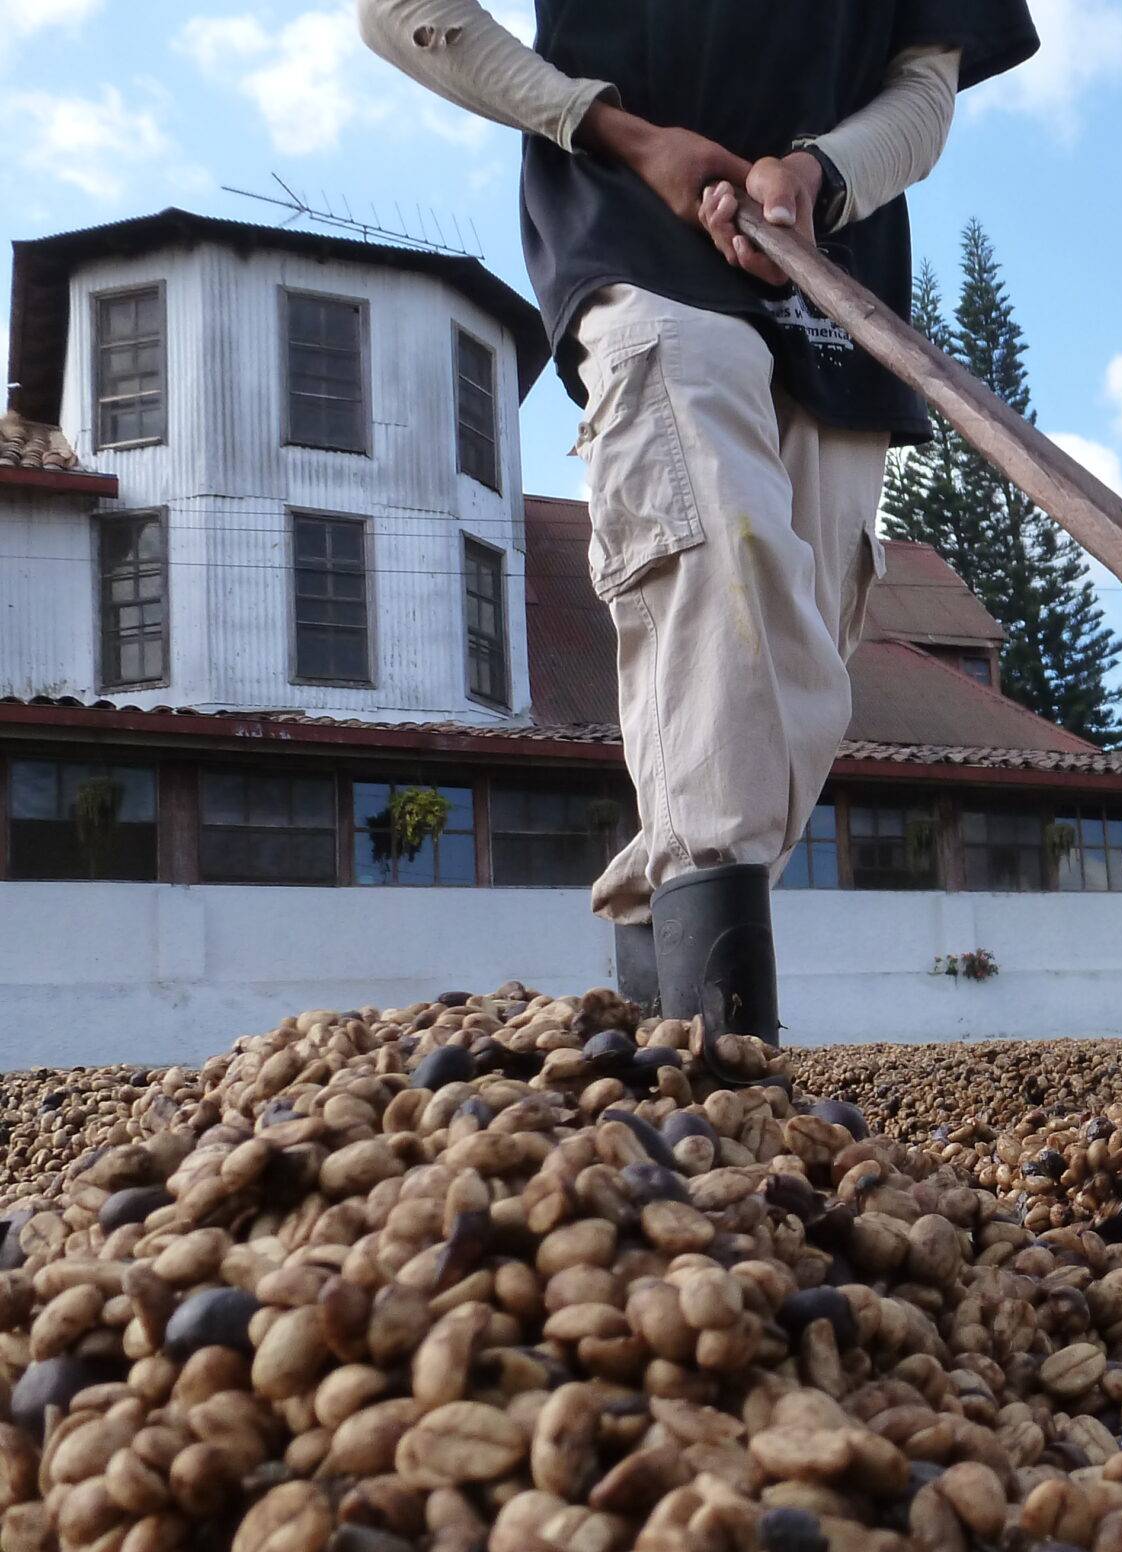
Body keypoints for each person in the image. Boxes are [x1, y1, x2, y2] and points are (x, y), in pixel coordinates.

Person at [357, 0, 1038, 1058]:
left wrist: (820, 174)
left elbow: (924, 84)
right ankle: (714, 1054)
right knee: (725, 551)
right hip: (634, 225)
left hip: (830, 275)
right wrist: (622, 132)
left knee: (798, 663)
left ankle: (654, 966)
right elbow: (401, 11)